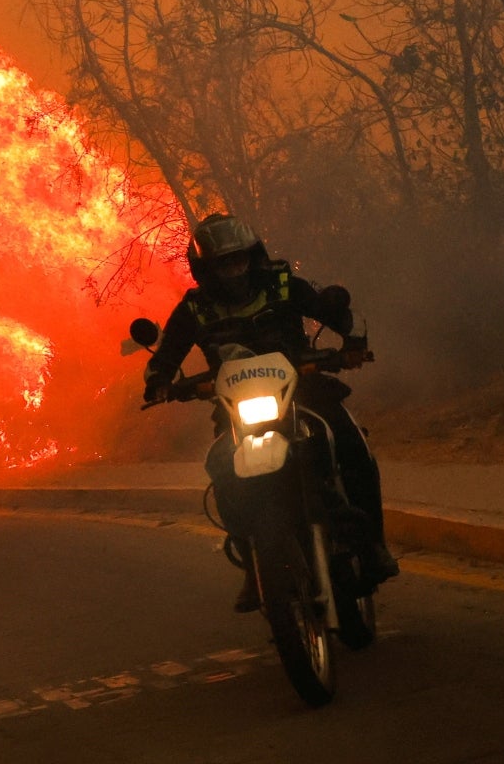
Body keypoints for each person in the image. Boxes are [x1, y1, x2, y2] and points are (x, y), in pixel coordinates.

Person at [143, 213, 399, 612]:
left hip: (305, 389)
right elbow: (167, 353)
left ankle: (375, 546)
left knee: (349, 441)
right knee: (222, 466)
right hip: (236, 407)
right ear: (206, 269)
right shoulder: (195, 308)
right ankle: (255, 567)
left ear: (253, 257)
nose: (233, 271)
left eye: (239, 260)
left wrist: (349, 337)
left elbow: (328, 308)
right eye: (223, 264)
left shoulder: (282, 283)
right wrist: (159, 379)